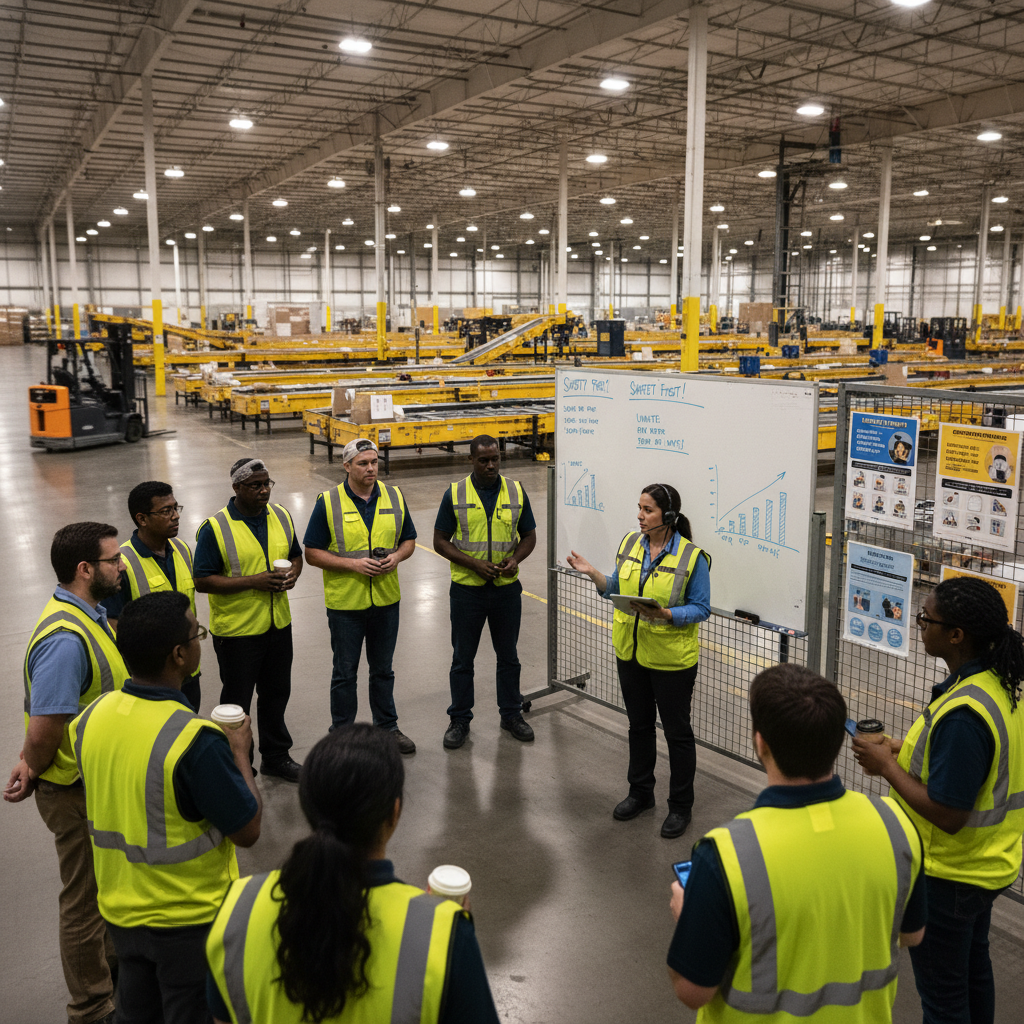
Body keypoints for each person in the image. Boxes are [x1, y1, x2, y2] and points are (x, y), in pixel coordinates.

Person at [668, 664, 926, 1021]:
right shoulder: (896, 825)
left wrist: (687, 916)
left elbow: (693, 991)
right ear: (838, 743)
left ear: (760, 742)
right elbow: (912, 936)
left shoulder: (726, 855)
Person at [205, 724, 500, 1024]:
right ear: (394, 813)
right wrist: (448, 932)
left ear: (308, 807)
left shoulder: (237, 909)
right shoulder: (444, 934)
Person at [68, 591, 261, 1024]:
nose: (199, 641)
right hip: (186, 922)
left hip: (120, 911)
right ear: (179, 655)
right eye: (197, 635)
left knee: (136, 1013)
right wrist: (240, 753)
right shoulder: (195, 740)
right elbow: (247, 830)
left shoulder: (90, 718)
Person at [854, 575, 1024, 1024]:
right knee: (972, 970)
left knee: (944, 999)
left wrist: (885, 768)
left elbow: (949, 813)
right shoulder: (998, 684)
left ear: (956, 635)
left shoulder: (967, 712)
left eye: (926, 619)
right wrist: (900, 751)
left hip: (951, 872)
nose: (919, 624)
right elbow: (965, 766)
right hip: (988, 863)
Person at [3, 522, 129, 1024]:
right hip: (71, 788)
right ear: (85, 569)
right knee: (82, 901)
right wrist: (31, 765)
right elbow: (46, 725)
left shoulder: (89, 615)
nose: (121, 566)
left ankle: (112, 971)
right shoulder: (64, 638)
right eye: (113, 560)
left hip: (91, 783)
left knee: (101, 890)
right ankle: (92, 1007)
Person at [567, 483, 710, 838]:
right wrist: (594, 575)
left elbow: (701, 608)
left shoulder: (692, 557)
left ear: (669, 516)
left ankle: (680, 806)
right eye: (639, 508)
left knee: (677, 734)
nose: (640, 516)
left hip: (671, 661)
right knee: (639, 727)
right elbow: (617, 585)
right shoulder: (632, 543)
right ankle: (641, 793)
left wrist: (666, 615)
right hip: (630, 654)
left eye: (647, 510)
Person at [303, 438, 417, 753]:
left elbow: (409, 539)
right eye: (363, 463)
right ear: (347, 466)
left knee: (383, 670)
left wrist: (398, 557)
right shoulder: (328, 502)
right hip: (346, 605)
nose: (370, 468)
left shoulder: (393, 496)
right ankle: (342, 735)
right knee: (345, 673)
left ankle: (388, 728)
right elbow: (311, 552)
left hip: (385, 602)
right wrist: (352, 564)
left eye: (374, 462)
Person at [193, 458, 304, 782]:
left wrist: (294, 573)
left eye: (267, 483)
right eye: (255, 485)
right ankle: (237, 764)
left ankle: (276, 756)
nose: (264, 490)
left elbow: (295, 554)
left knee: (276, 694)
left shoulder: (281, 515)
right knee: (236, 702)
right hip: (238, 632)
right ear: (237, 488)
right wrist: (254, 581)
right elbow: (202, 580)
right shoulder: (215, 528)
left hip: (278, 625)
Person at [433, 434, 537, 749]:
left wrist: (516, 559)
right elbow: (440, 540)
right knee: (463, 658)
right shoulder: (455, 494)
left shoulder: (516, 491)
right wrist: (474, 564)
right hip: (467, 592)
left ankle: (511, 714)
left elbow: (529, 535)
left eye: (495, 459)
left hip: (506, 591)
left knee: (509, 657)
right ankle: (459, 720)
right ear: (471, 460)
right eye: (483, 460)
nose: (490, 465)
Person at [100, 480, 202, 711]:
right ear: (142, 519)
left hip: (187, 672)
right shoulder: (122, 564)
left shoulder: (182, 550)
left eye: (176, 508)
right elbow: (115, 626)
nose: (175, 516)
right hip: (152, 681)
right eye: (166, 511)